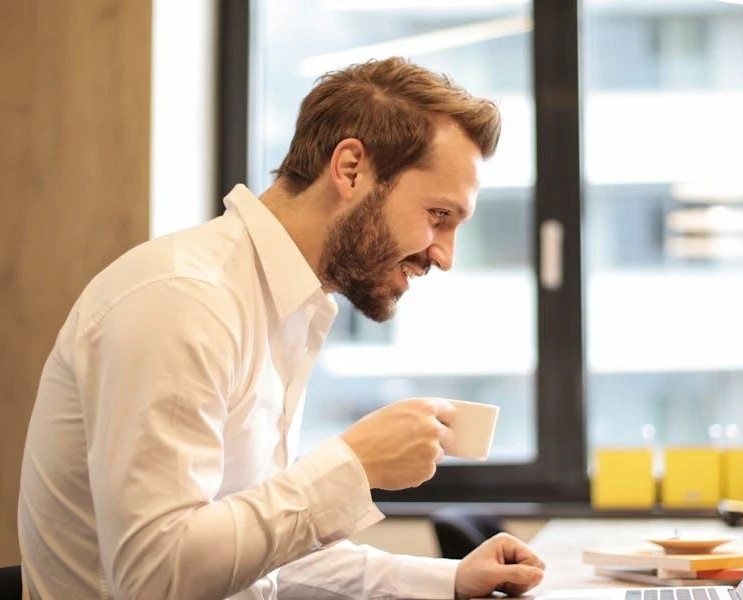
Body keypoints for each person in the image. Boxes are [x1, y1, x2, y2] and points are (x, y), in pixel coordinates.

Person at [17, 57, 545, 599]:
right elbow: (157, 577)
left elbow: (253, 558)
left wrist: (449, 578)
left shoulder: (289, 306)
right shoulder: (182, 299)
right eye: (438, 215)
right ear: (350, 169)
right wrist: (353, 464)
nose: (445, 255)